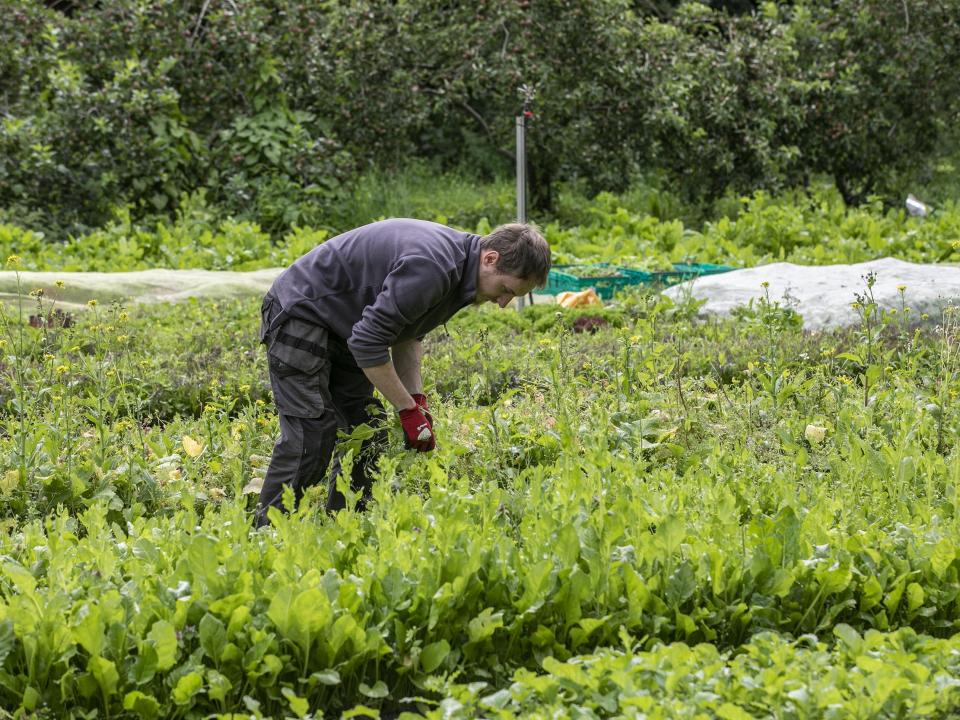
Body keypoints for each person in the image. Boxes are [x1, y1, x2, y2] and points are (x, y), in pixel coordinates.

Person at [254, 218, 551, 526]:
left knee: (367, 431)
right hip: (302, 312)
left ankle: (347, 527)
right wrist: (406, 411)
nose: (504, 303)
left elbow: (407, 334)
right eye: (506, 290)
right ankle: (267, 535)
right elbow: (368, 342)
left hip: (343, 326)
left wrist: (416, 400)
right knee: (311, 434)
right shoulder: (434, 267)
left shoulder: (461, 272)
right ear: (491, 259)